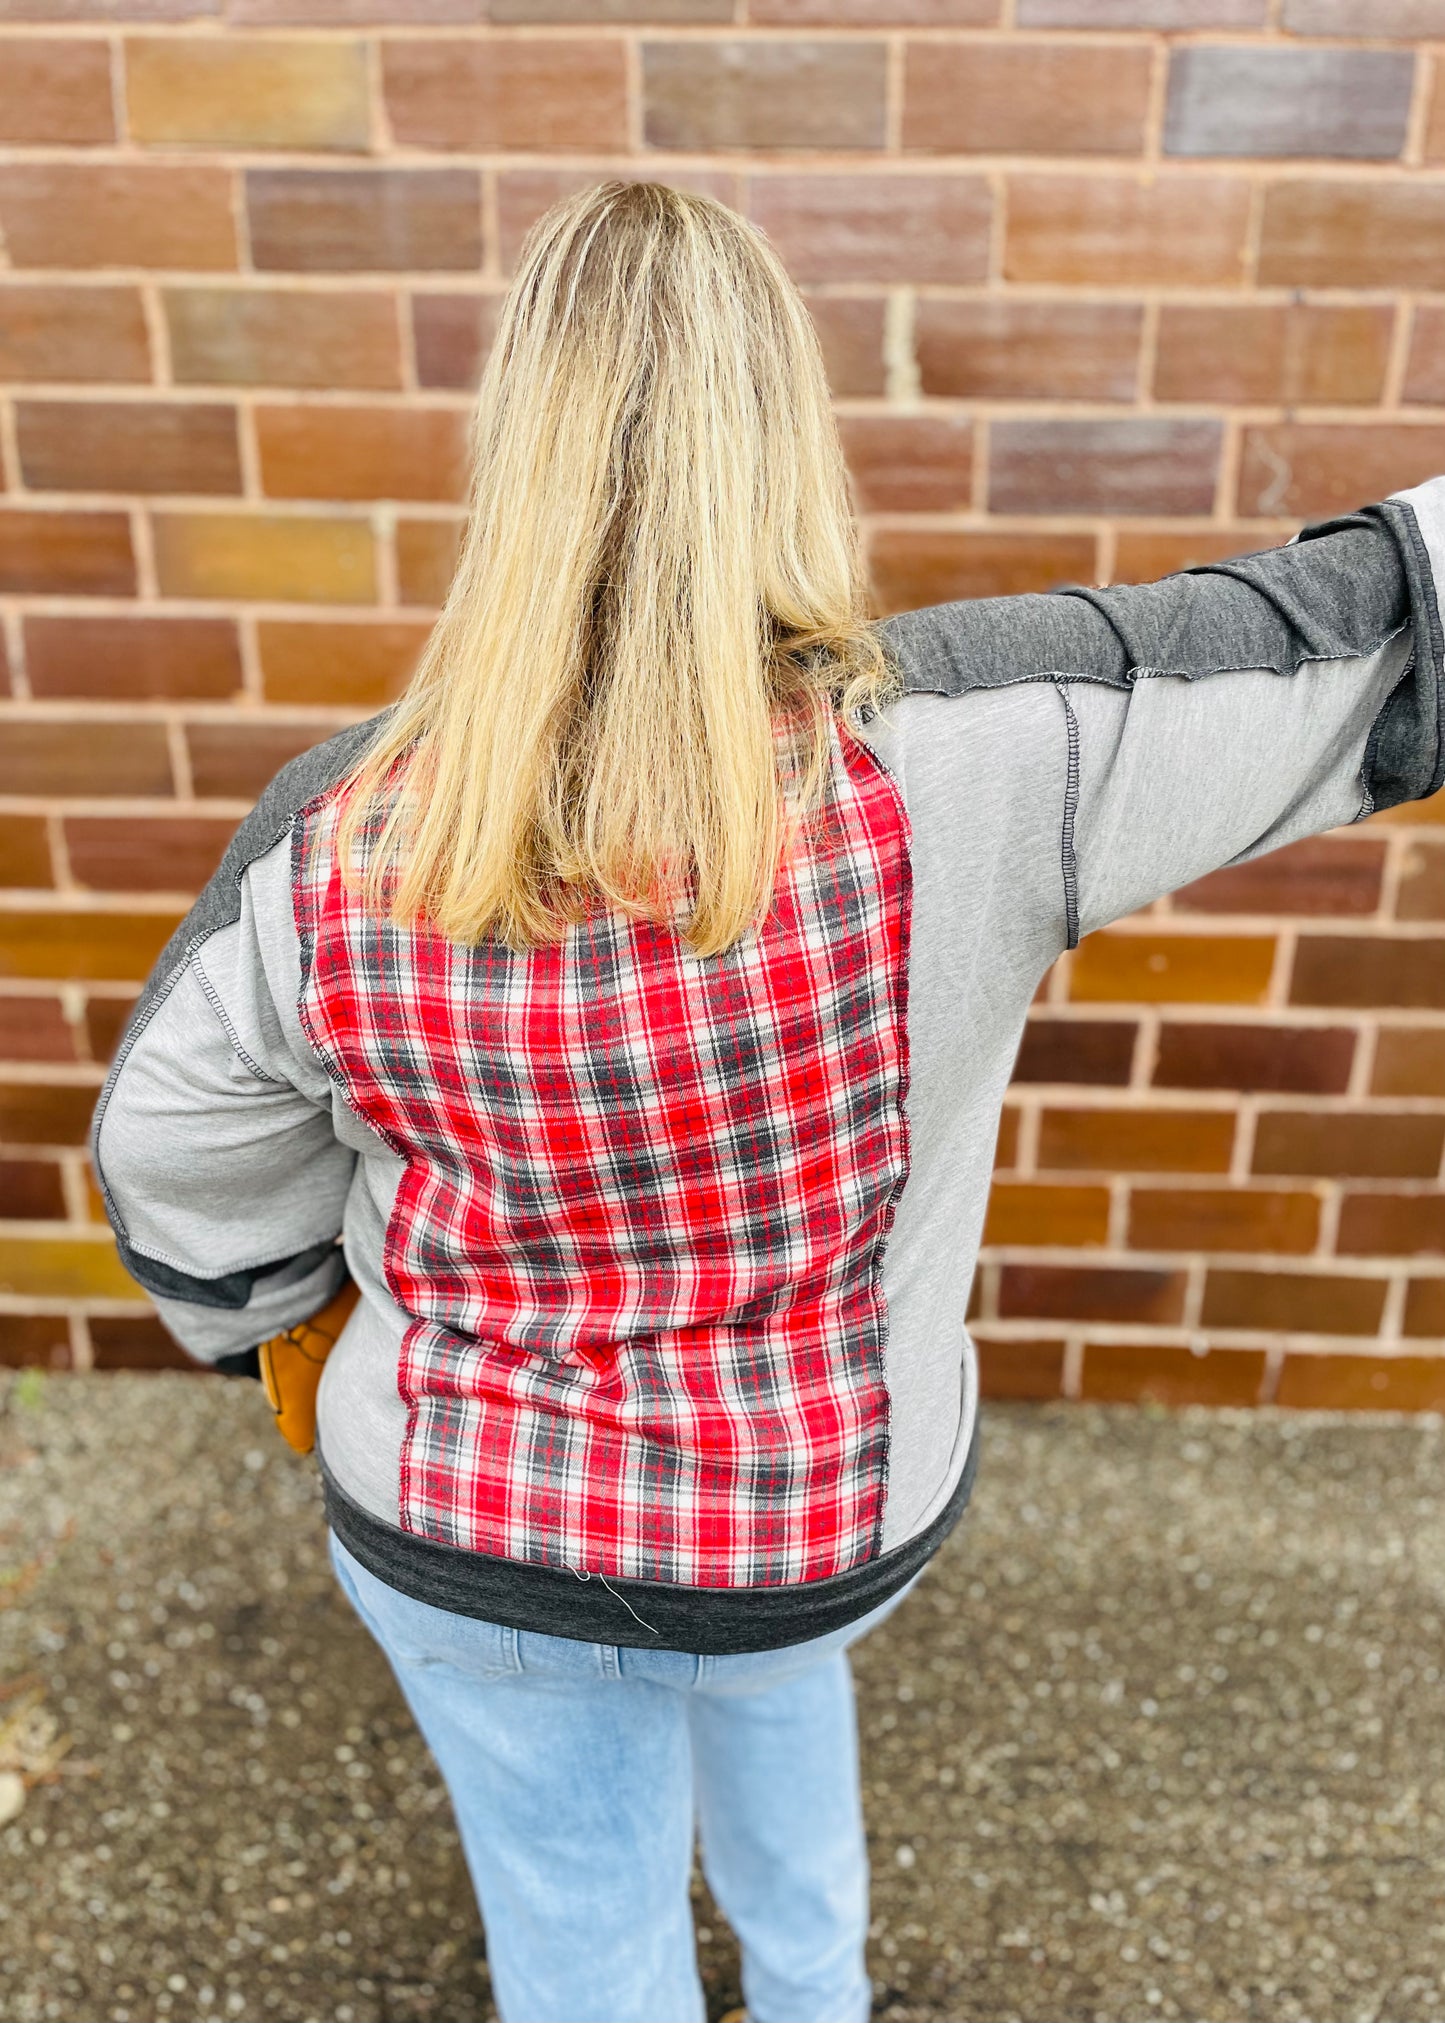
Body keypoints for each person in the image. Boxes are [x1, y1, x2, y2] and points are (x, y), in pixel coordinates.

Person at [92, 181, 1444, 2023]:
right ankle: (820, 1998)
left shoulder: (334, 839)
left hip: (474, 1536)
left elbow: (169, 1155)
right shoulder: (987, 753)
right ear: (780, 432)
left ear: (518, 452)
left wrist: (274, 1317)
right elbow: (1360, 634)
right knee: (776, 1686)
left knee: (581, 1945)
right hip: (819, 1526)